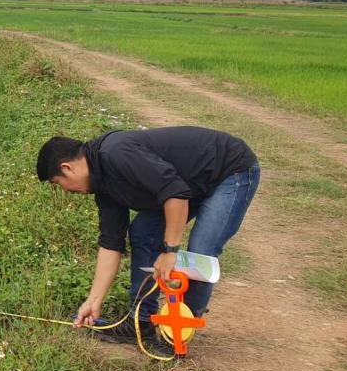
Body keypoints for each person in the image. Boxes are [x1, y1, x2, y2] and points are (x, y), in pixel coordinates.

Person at [36, 126, 260, 347]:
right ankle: (140, 322)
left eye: (59, 184)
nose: (65, 190)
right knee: (143, 231)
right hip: (189, 183)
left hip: (229, 171)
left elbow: (175, 193)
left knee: (200, 250)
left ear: (67, 168)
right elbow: (111, 244)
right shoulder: (102, 185)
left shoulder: (116, 154)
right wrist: (93, 301)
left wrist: (170, 250)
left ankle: (179, 333)